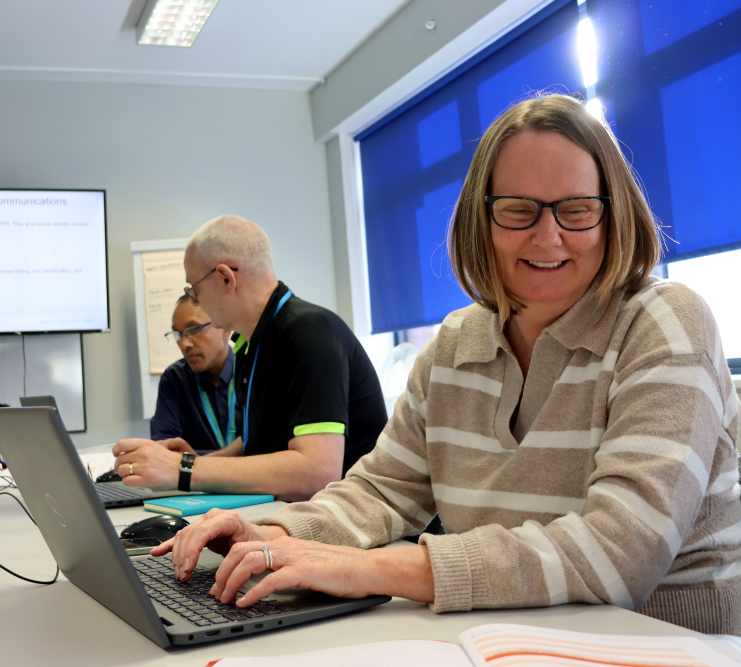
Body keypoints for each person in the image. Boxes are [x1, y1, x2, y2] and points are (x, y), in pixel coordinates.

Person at [153, 94, 741, 635]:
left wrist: (372, 568)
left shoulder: (664, 321)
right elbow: (382, 490)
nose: (548, 236)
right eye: (518, 210)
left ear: (613, 216)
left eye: (578, 210)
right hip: (508, 633)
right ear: (481, 219)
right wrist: (274, 534)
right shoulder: (456, 342)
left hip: (669, 641)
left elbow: (623, 551)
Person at [113, 215, 389, 502]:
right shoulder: (249, 345)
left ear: (226, 278)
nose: (194, 301)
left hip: (360, 518)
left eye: (194, 289)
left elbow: (317, 473)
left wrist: (182, 469)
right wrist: (193, 462)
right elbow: (256, 444)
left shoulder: (309, 335)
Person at [150, 295, 239, 452]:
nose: (184, 344)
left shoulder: (255, 371)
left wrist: (196, 460)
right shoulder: (175, 379)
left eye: (194, 329)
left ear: (225, 329)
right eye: (177, 334)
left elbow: (267, 445)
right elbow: (163, 451)